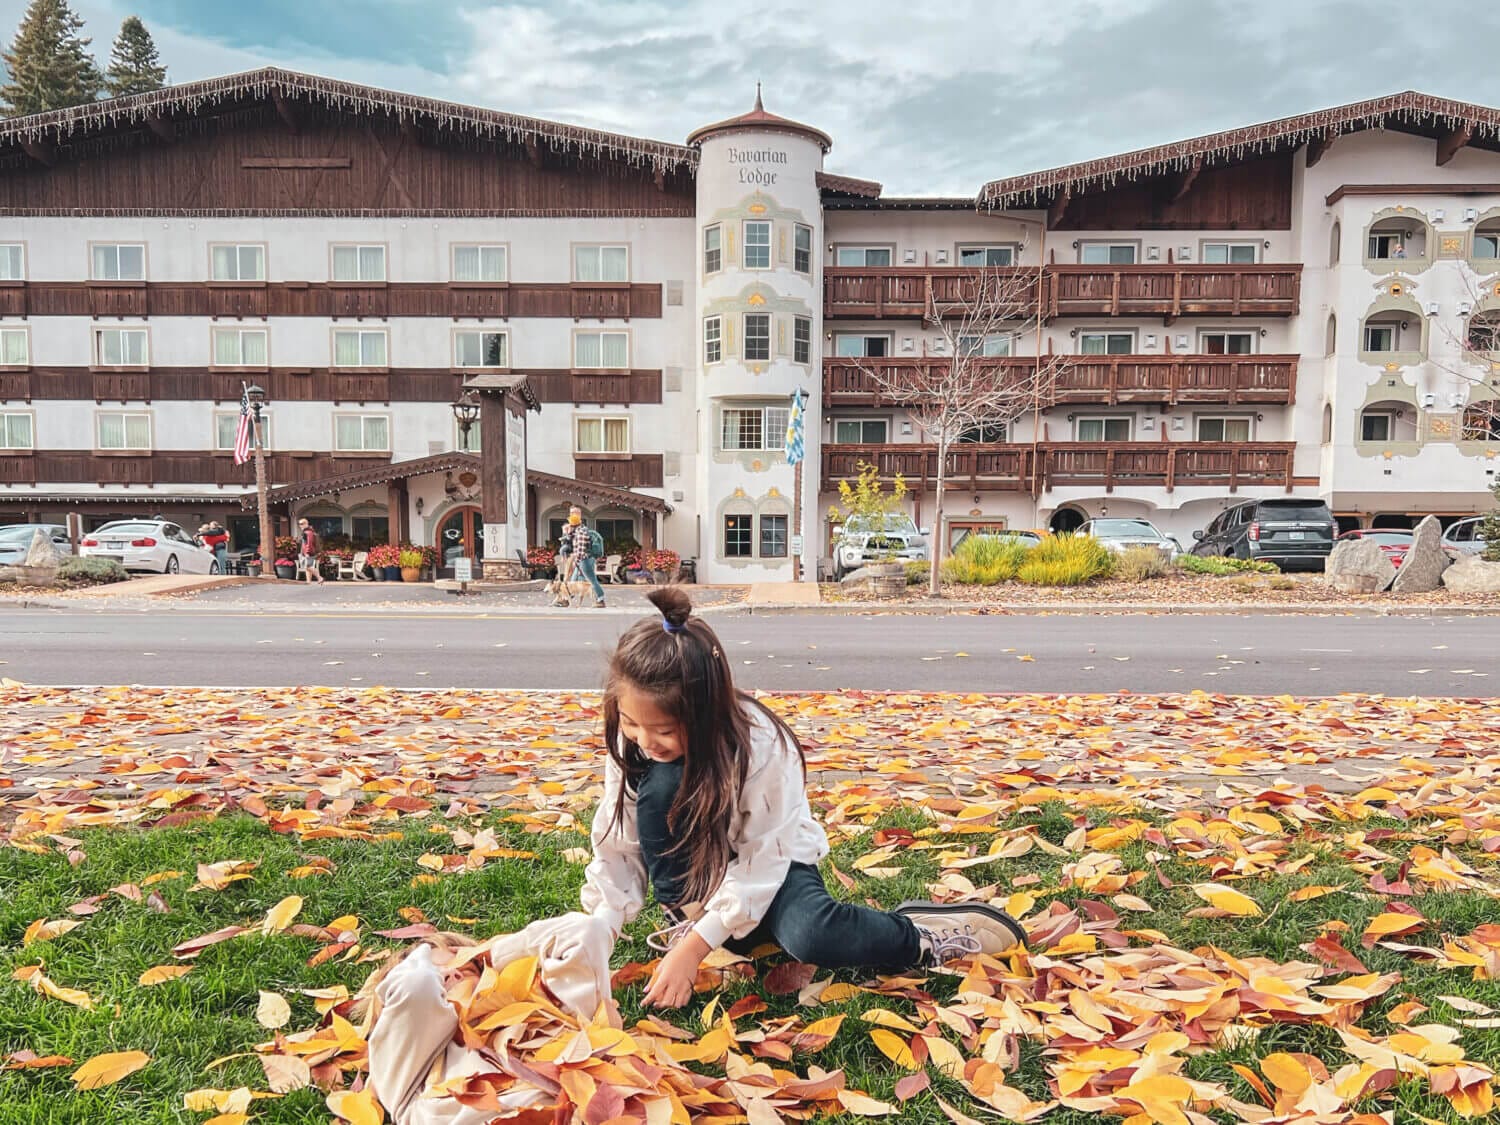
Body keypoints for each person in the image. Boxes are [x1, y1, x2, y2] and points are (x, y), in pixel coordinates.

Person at [580, 588, 1026, 1010]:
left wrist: (696, 950)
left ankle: (920, 937)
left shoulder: (760, 745)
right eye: (633, 724)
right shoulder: (634, 747)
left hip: (773, 864)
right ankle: (700, 921)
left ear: (706, 712)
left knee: (811, 935)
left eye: (663, 731)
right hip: (704, 873)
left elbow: (764, 861)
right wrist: (601, 926)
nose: (645, 740)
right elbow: (621, 844)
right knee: (658, 789)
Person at [564, 506, 606, 608]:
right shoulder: (576, 531)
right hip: (582, 560)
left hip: (585, 560)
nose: (571, 516)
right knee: (574, 580)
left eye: (573, 514)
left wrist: (576, 561)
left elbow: (581, 550)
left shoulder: (581, 532)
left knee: (591, 580)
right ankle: (566, 599)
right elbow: (569, 543)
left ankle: (601, 600)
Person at [296, 518, 326, 585]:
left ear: (306, 524)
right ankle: (308, 582)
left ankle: (320, 578)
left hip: (309, 553)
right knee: (308, 567)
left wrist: (307, 552)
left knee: (307, 566)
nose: (300, 525)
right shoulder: (308, 532)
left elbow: (309, 543)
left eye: (302, 524)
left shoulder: (308, 532)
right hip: (308, 552)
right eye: (299, 524)